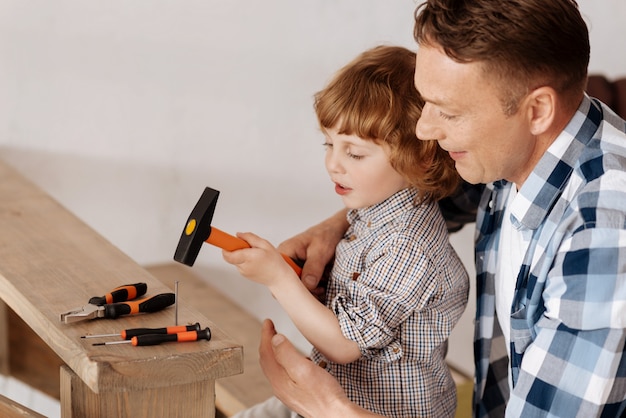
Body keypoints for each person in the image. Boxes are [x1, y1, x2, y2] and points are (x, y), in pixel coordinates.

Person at [257, 0, 626, 417]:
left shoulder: (603, 233)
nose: (423, 129)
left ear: (537, 110)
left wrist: (328, 407)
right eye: (425, 101)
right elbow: (427, 203)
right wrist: (336, 226)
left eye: (448, 111)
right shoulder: (517, 151)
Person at [223, 45, 469, 417]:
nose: (333, 164)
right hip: (334, 393)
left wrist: (277, 278)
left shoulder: (408, 245)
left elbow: (344, 344)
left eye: (354, 154)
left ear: (419, 157)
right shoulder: (373, 216)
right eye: (329, 144)